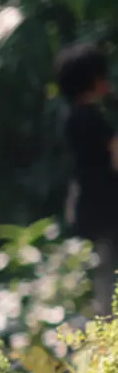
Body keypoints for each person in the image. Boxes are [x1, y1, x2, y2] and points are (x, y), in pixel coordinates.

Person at [57, 42, 118, 316]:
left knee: (104, 271)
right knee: (110, 273)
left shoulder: (70, 118)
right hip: (108, 206)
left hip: (88, 204)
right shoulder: (94, 119)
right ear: (94, 80)